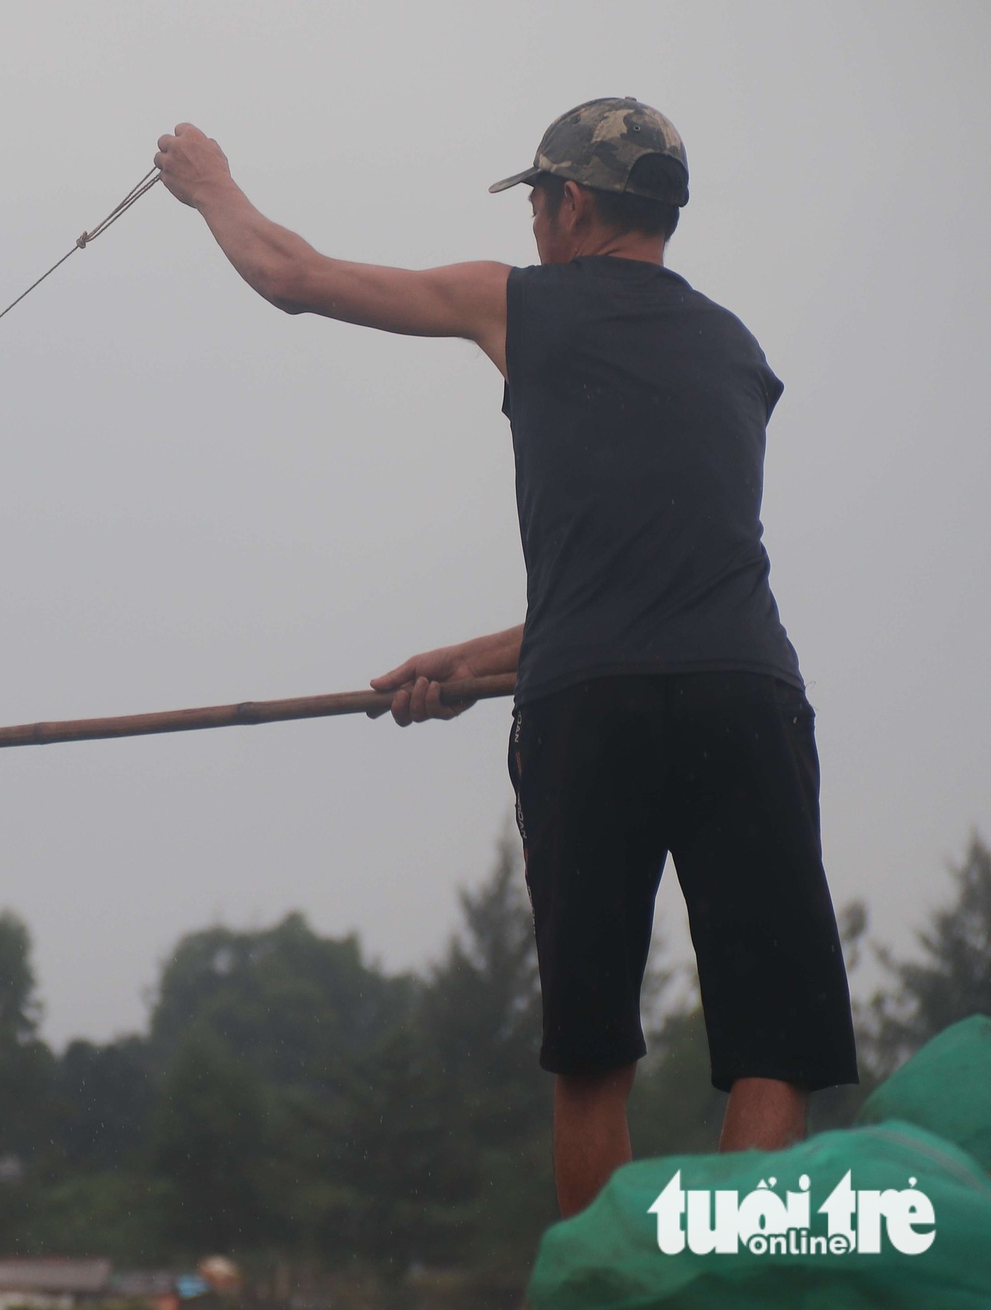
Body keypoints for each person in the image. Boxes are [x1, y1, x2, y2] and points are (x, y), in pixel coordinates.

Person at [154, 99, 858, 1216]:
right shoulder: (734, 350)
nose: (533, 223)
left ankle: (602, 1291)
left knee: (590, 1055)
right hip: (744, 694)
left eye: (536, 199)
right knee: (771, 1047)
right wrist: (469, 664)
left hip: (591, 711)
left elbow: (289, 274)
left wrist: (209, 186)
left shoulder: (516, 302)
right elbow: (658, 587)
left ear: (570, 205)